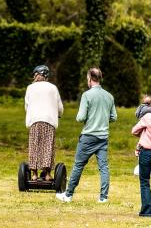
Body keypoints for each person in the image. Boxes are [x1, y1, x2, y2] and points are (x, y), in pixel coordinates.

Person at [56, 68, 117, 203]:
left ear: (90, 78)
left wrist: (87, 118)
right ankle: (103, 197)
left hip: (88, 136)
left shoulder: (86, 95)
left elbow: (80, 117)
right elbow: (113, 117)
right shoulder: (109, 96)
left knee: (78, 165)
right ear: (100, 78)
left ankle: (68, 195)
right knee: (103, 167)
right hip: (103, 137)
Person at [25, 65, 63, 181]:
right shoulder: (53, 88)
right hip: (48, 121)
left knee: (34, 146)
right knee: (47, 147)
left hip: (35, 121)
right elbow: (59, 106)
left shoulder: (30, 88)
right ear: (46, 76)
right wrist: (59, 114)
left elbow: (27, 106)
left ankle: (34, 175)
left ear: (36, 75)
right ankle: (47, 175)